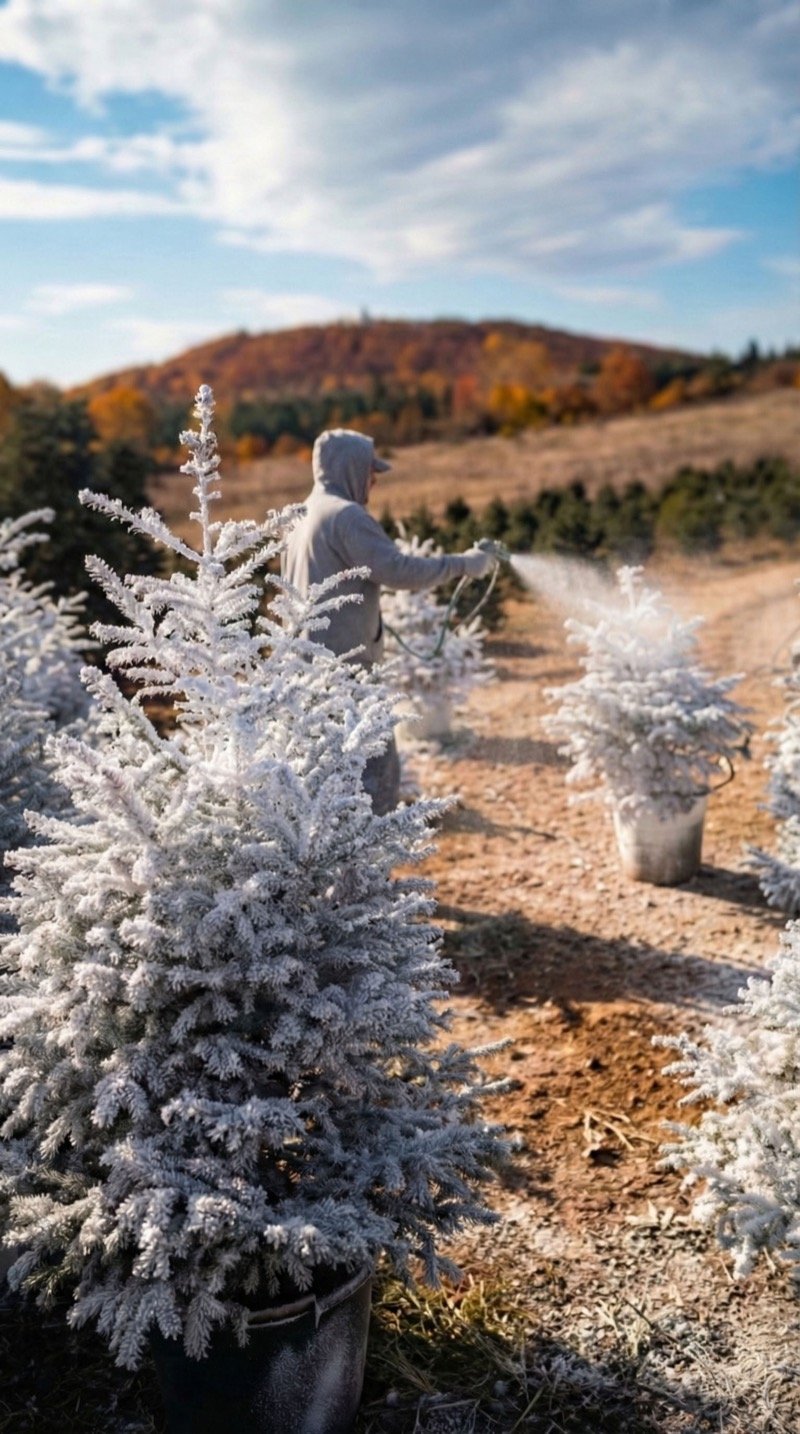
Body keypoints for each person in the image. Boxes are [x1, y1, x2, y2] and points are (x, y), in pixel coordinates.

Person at [282, 427, 493, 814]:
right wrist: (464, 564)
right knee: (375, 775)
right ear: (350, 468)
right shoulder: (347, 516)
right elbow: (398, 570)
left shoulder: (301, 516)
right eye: (370, 471)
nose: (374, 480)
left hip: (306, 672)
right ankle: (374, 849)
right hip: (347, 672)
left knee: (326, 781)